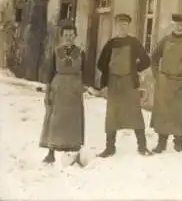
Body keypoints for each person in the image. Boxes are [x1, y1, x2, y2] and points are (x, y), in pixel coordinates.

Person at [96, 13, 152, 157]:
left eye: (125, 24)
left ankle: (142, 147)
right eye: (120, 24)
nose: (123, 27)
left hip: (129, 83)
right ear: (116, 26)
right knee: (112, 116)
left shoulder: (134, 42)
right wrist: (107, 79)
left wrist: (134, 69)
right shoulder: (111, 43)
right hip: (114, 84)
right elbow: (101, 63)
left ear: (129, 26)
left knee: (135, 114)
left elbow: (146, 60)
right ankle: (110, 147)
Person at [150, 13, 182, 153]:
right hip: (165, 82)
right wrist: (157, 76)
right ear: (173, 25)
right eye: (177, 25)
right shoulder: (164, 41)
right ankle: (161, 143)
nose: (179, 28)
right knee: (163, 113)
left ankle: (178, 143)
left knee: (180, 113)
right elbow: (154, 58)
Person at [39, 21, 85, 165]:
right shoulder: (56, 52)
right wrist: (48, 91)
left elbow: (86, 71)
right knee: (54, 121)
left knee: (74, 121)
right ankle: (51, 152)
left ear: (75, 36)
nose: (69, 37)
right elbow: (49, 73)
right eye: (66, 35)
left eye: (71, 35)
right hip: (58, 88)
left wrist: (83, 86)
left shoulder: (81, 52)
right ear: (62, 36)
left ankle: (75, 154)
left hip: (74, 89)